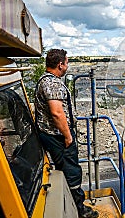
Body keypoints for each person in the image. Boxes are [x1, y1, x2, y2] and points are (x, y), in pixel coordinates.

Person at [35, 49, 99, 218]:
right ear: (60, 65)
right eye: (67, 63)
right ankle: (78, 211)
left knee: (68, 170)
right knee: (72, 172)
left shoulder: (46, 80)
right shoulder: (52, 84)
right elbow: (57, 113)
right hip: (58, 137)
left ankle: (73, 206)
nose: (68, 66)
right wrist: (68, 136)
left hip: (53, 135)